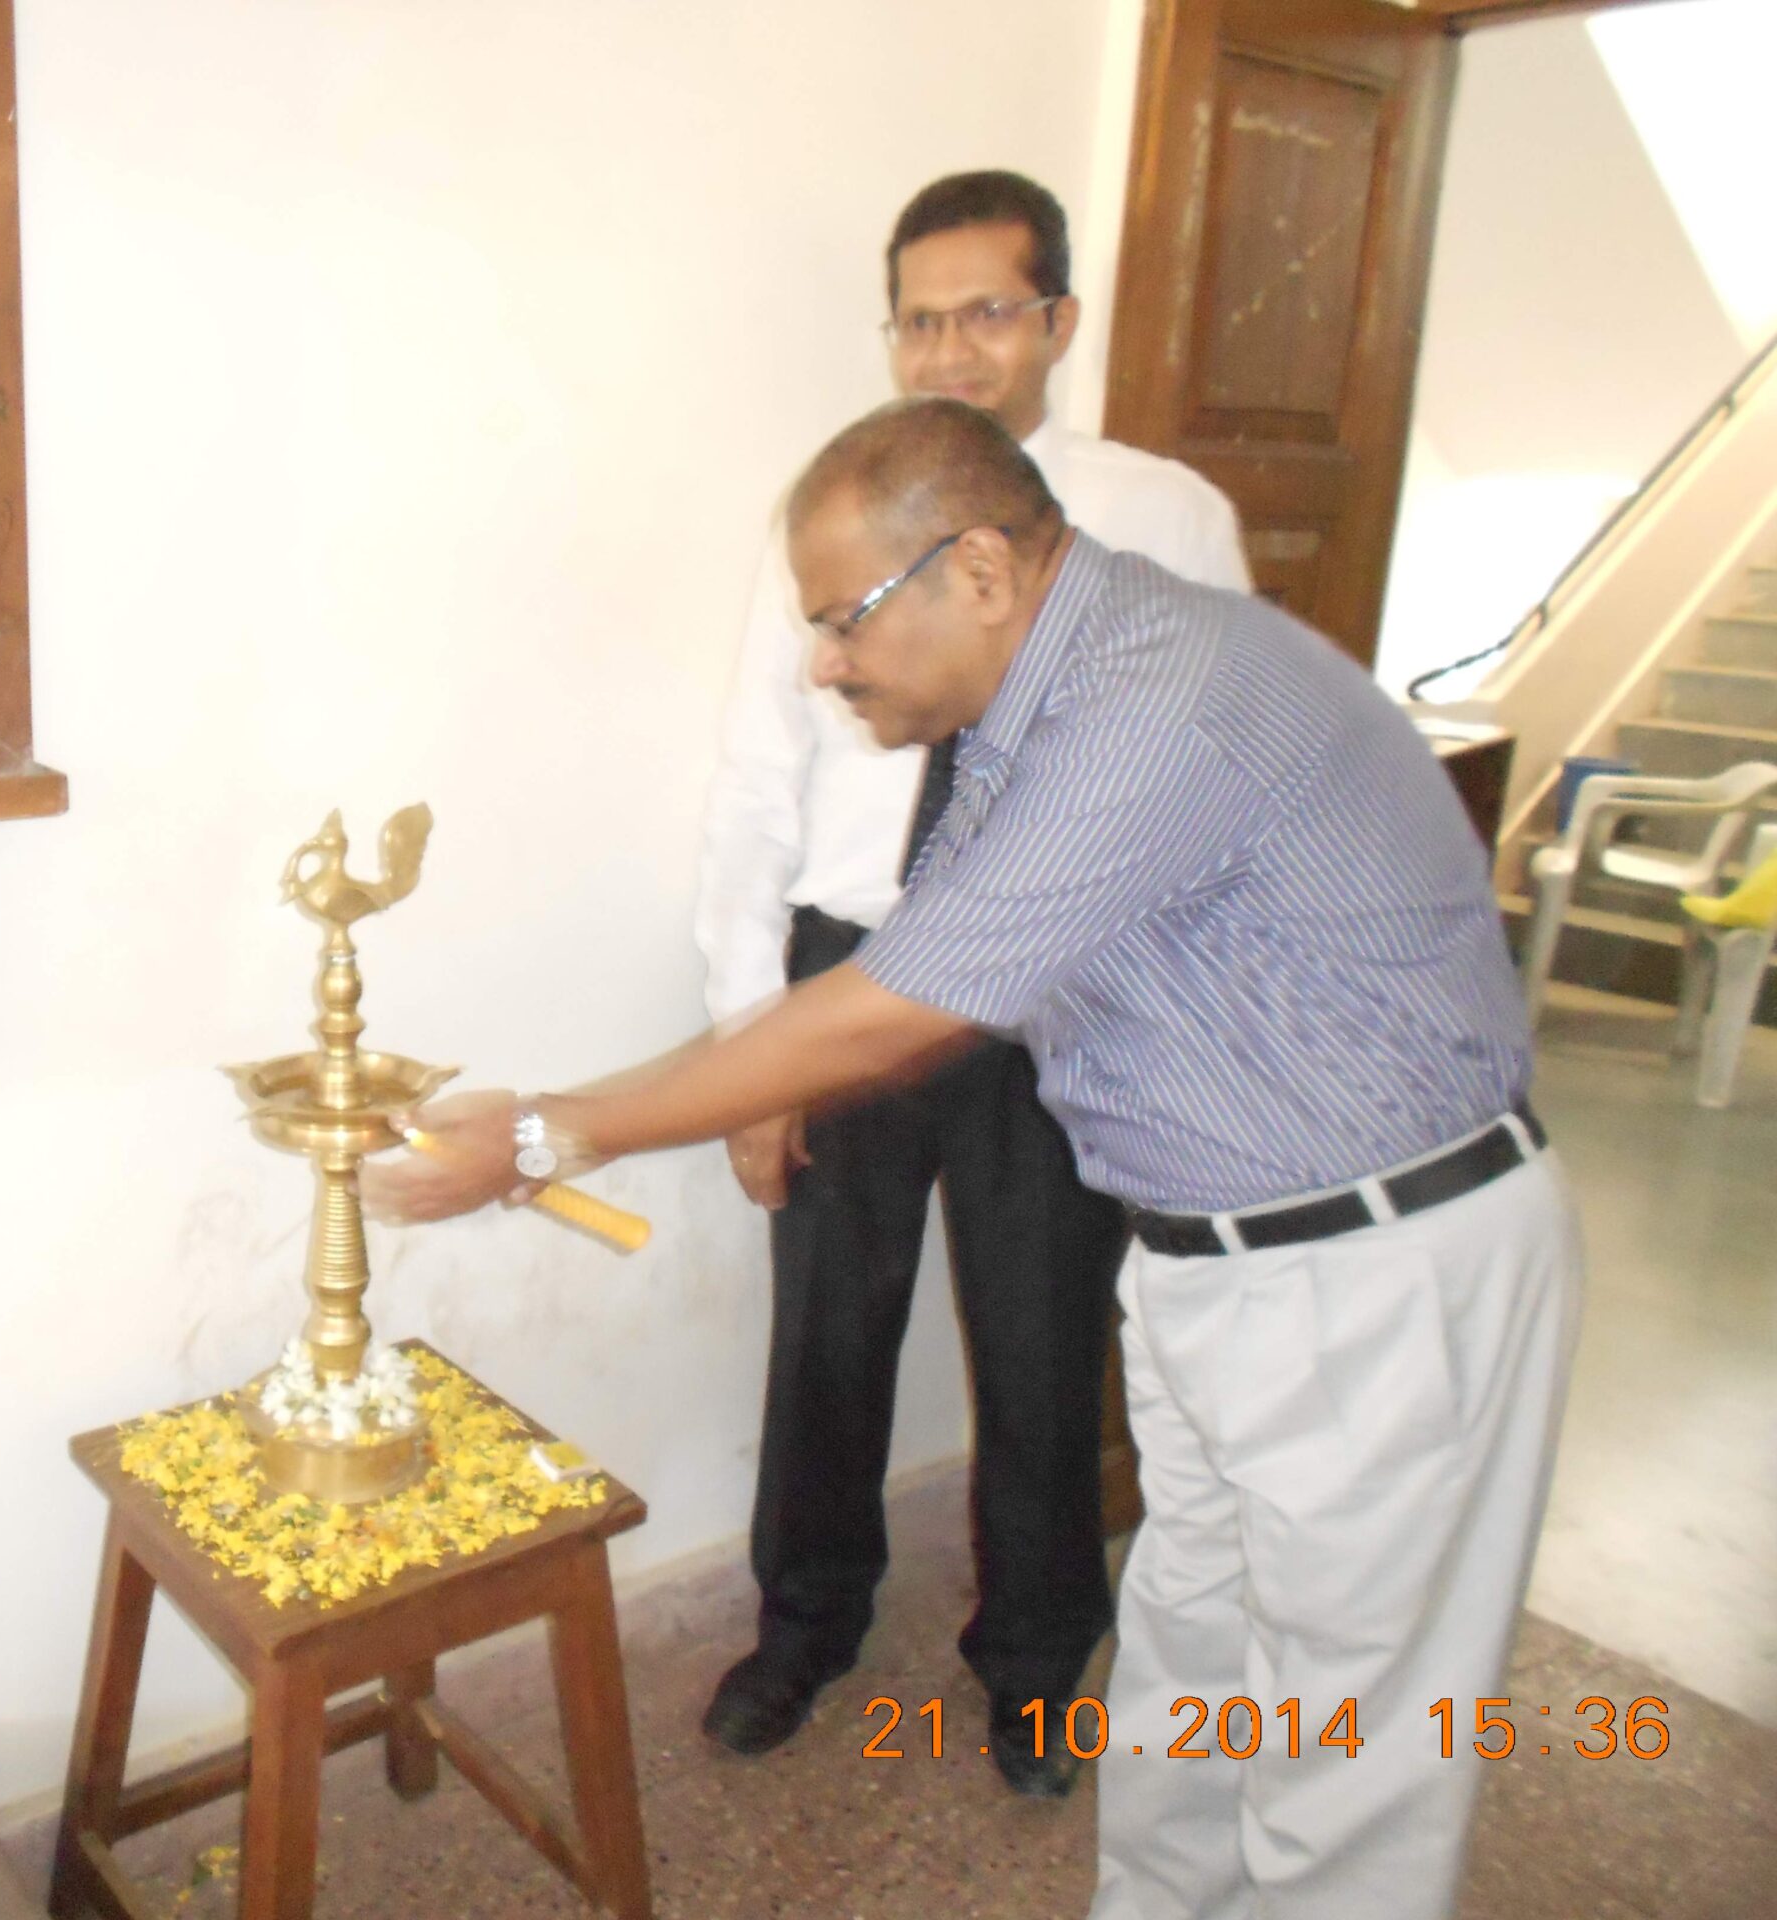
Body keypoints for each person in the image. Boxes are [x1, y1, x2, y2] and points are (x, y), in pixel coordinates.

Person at [370, 397, 1582, 1920]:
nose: (822, 666)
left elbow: (890, 1014)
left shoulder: (1155, 701)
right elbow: (909, 984)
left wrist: (554, 1133)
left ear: (984, 573)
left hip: (1378, 1275)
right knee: (1191, 1692)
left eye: (843, 622)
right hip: (1218, 1263)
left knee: (1345, 1764)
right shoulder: (1025, 713)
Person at [695, 169, 1249, 1789]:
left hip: (1055, 988)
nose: (949, 351)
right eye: (919, 321)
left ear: (1057, 320)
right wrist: (748, 1043)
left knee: (1041, 1335)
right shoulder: (829, 516)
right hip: (854, 968)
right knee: (828, 1332)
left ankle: (1035, 1662)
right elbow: (753, 786)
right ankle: (805, 1624)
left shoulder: (1164, 519)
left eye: (986, 313)